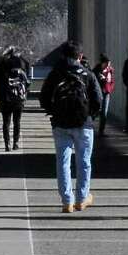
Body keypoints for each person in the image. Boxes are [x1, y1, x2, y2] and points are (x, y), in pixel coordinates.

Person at [39, 41, 104, 213]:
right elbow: (98, 99)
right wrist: (90, 116)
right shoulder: (88, 74)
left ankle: (67, 201)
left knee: (63, 162)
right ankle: (82, 199)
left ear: (63, 55)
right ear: (80, 56)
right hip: (84, 124)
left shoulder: (56, 74)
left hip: (61, 124)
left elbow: (44, 98)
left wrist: (54, 112)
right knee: (84, 162)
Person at [0, 45, 30, 151]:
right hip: (19, 98)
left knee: (6, 122)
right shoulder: (21, 66)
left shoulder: (2, 67)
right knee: (17, 121)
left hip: (5, 98)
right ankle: (16, 143)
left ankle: (7, 144)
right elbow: (27, 82)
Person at [92, 54, 114, 132]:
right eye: (106, 63)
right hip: (98, 93)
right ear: (102, 63)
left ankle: (101, 131)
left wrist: (110, 88)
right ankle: (89, 127)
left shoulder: (110, 70)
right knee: (96, 111)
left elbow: (112, 81)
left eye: (109, 63)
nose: (108, 65)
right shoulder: (95, 70)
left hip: (106, 92)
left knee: (104, 112)